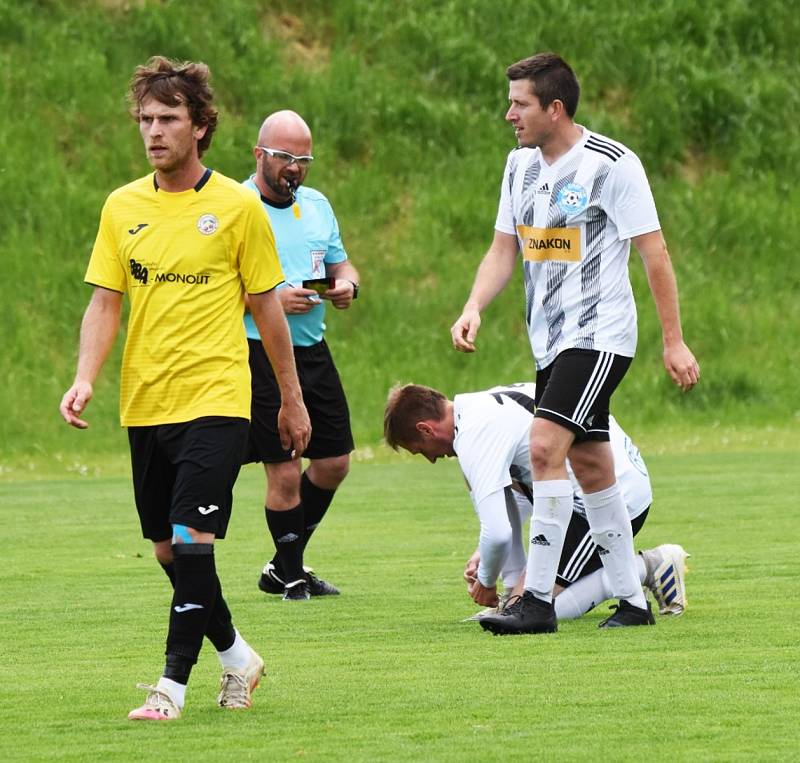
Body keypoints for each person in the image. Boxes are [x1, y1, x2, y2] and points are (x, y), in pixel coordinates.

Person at [59, 57, 311, 721]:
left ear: (201, 126)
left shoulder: (235, 207)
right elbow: (106, 302)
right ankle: (237, 657)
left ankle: (170, 687)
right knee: (173, 549)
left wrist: (291, 397)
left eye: (168, 118)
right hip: (146, 402)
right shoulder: (122, 207)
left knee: (192, 541)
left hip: (217, 399)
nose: (153, 130)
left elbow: (267, 307)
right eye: (145, 118)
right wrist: (85, 376)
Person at [450, 53, 699, 632]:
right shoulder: (518, 167)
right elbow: (502, 249)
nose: (508, 113)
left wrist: (674, 341)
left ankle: (535, 600)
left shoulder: (613, 165)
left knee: (543, 449)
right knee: (591, 465)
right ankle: (633, 602)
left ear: (554, 108)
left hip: (600, 335)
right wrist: (473, 306)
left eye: (520, 103)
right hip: (551, 342)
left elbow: (654, 253)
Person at [383, 383, 689, 633]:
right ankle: (515, 601)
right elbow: (511, 501)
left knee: (547, 608)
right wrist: (491, 562)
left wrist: (487, 583)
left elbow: (499, 532)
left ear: (425, 429)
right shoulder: (481, 407)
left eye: (420, 451)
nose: (432, 459)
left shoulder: (473, 435)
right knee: (523, 603)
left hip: (609, 498)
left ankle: (651, 565)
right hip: (604, 484)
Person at [242, 111, 359, 601]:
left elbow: (340, 262)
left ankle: (279, 565)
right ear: (260, 154)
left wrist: (347, 285)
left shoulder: (316, 206)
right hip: (259, 351)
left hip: (312, 347)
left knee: (333, 462)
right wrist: (272, 299)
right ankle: (292, 576)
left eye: (303, 159)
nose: (294, 167)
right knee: (285, 466)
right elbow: (217, 285)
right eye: (285, 157)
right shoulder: (236, 205)